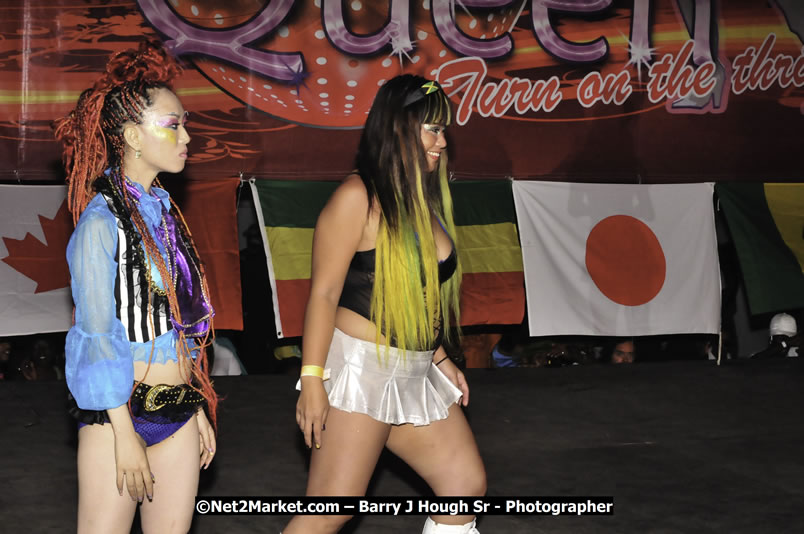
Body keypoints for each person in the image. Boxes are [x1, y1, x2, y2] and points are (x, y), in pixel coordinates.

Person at [284, 75, 486, 534]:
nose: (442, 140)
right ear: (399, 128)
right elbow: (324, 294)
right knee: (329, 513)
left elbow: (414, 294)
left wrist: (437, 356)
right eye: (431, 128)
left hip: (414, 370)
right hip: (362, 370)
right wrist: (312, 380)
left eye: (443, 130)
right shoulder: (357, 197)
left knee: (462, 483)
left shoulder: (420, 199)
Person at [53, 40, 217, 533]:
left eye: (184, 123)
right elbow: (96, 333)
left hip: (179, 411)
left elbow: (177, 317)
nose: (187, 135)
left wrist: (194, 406)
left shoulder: (164, 215)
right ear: (133, 136)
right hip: (118, 417)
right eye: (173, 125)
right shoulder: (101, 224)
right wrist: (124, 435)